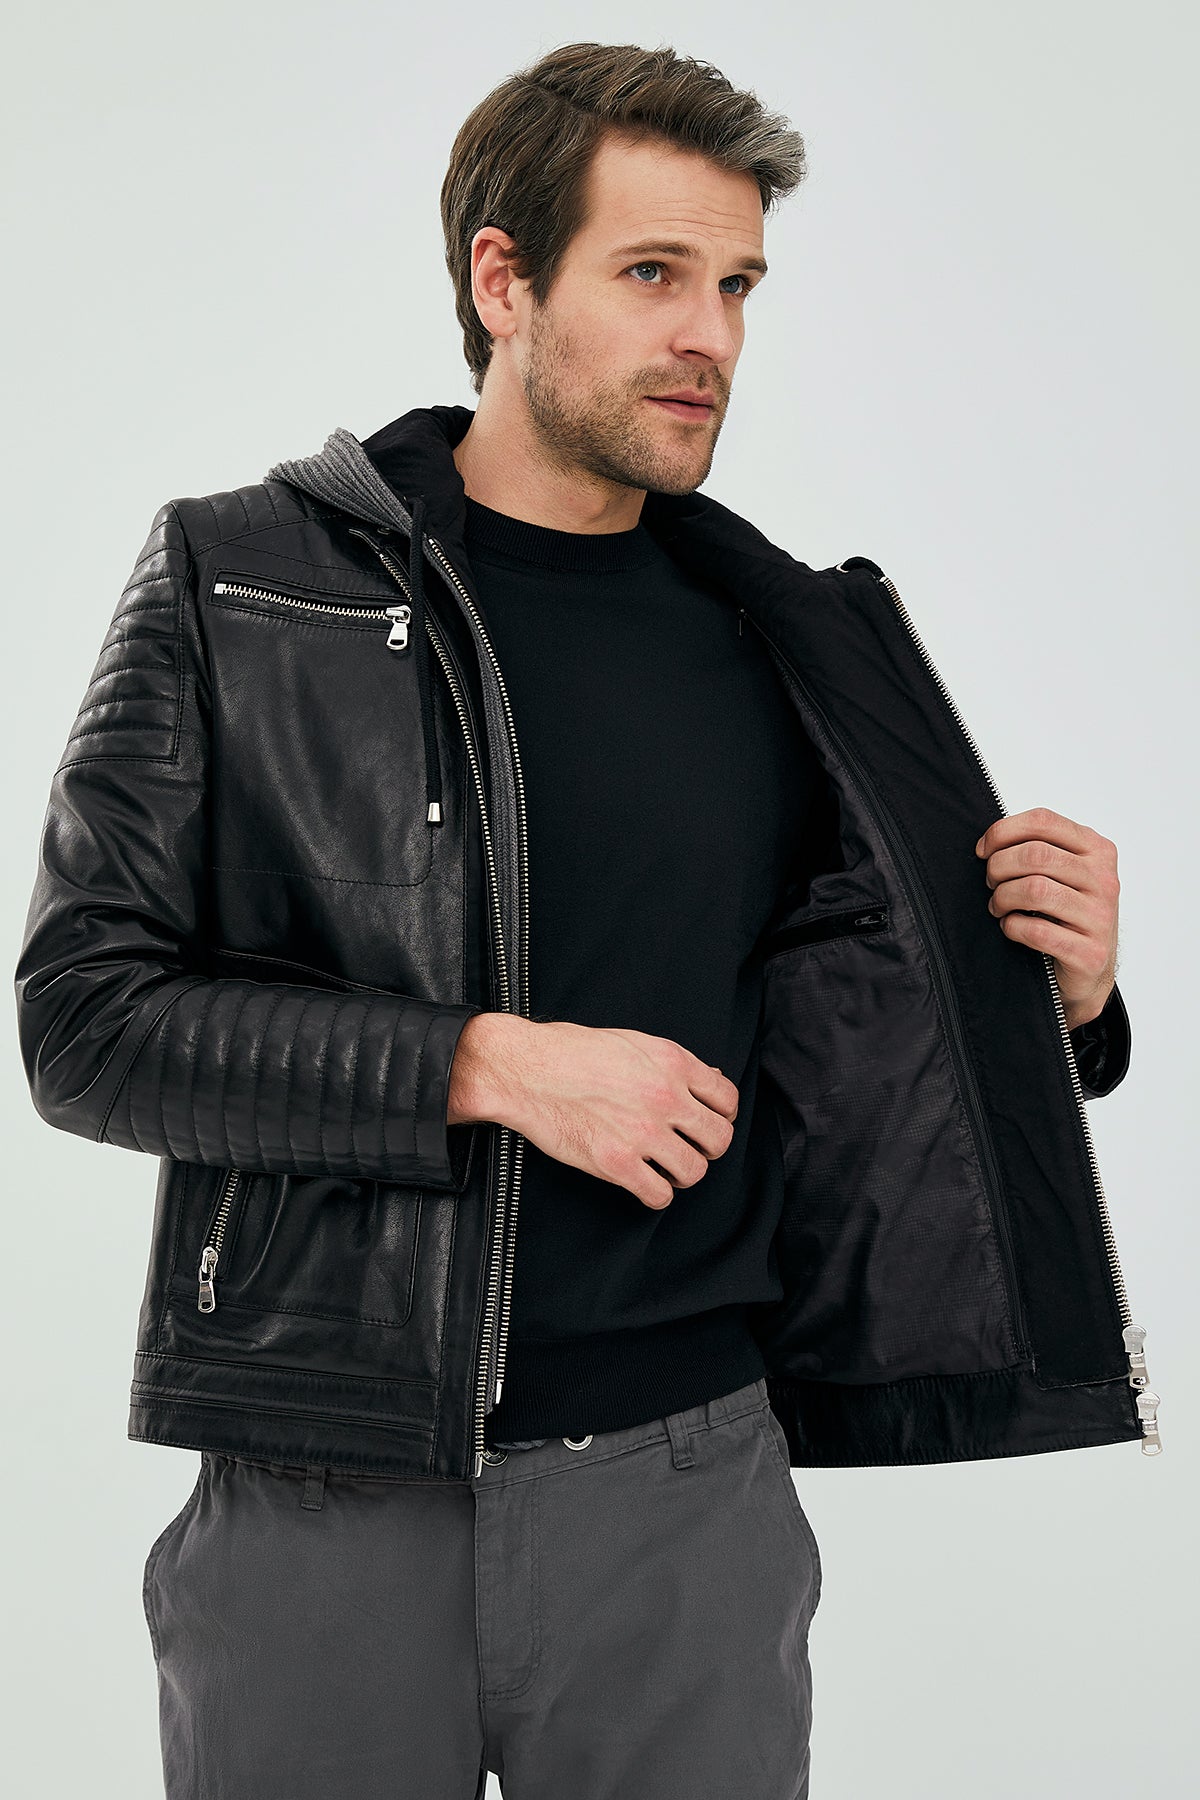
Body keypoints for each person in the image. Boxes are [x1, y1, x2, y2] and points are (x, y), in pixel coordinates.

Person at [14, 38, 1155, 1800]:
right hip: (329, 1497)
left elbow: (864, 1045)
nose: (711, 336)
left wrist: (1062, 999)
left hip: (686, 1498)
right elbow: (85, 1021)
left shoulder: (789, 643)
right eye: (652, 273)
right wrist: (482, 1066)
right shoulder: (243, 580)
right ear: (503, 278)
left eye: (738, 285)